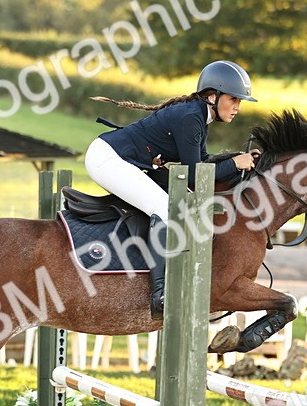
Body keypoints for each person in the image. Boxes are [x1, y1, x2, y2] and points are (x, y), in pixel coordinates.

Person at [85, 60, 259, 318]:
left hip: (118, 156)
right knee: (165, 209)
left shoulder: (199, 116)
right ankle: (161, 294)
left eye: (240, 102)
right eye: (234, 99)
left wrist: (235, 159)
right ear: (213, 96)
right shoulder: (191, 117)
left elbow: (203, 162)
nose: (237, 107)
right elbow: (195, 174)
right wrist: (235, 163)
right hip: (106, 159)